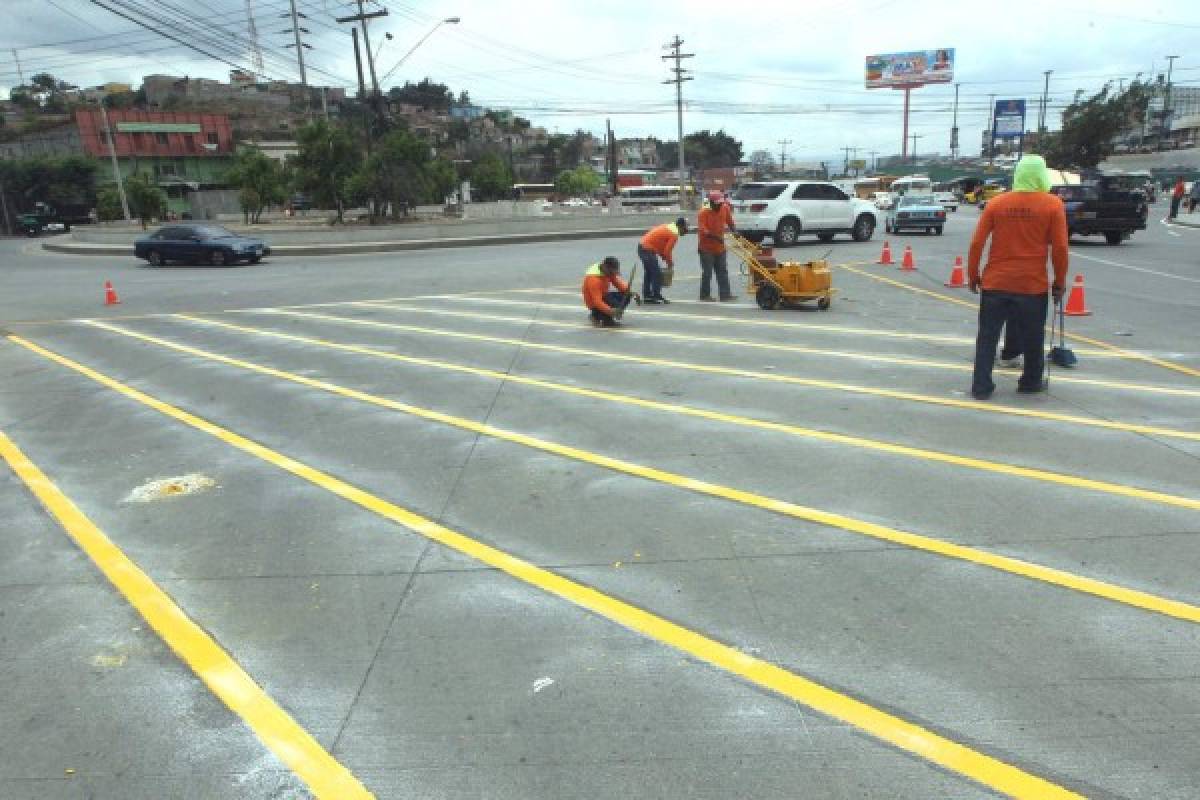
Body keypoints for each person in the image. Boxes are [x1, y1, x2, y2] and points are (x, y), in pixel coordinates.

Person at [967, 154, 1068, 400]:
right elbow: (1060, 248)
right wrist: (1059, 282)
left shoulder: (997, 203)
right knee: (1033, 336)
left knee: (987, 338)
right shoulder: (1053, 205)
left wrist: (973, 274)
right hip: (1031, 285)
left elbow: (977, 242)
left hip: (995, 282)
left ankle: (981, 386)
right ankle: (1030, 382)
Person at [697, 192, 737, 302]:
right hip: (706, 248)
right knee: (707, 272)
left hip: (720, 247)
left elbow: (730, 222)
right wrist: (715, 237)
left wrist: (735, 231)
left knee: (722, 271)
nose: (719, 206)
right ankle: (704, 295)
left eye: (720, 204)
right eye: (717, 204)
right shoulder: (703, 212)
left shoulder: (725, 208)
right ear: (710, 203)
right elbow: (703, 229)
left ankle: (725, 294)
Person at [637, 217, 687, 304]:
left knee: (649, 273)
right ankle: (655, 295)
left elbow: (660, 246)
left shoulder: (668, 226)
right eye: (685, 228)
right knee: (657, 273)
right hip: (647, 249)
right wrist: (670, 263)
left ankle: (648, 296)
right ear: (681, 226)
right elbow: (667, 251)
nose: (686, 231)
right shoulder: (673, 234)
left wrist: (664, 257)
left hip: (642, 246)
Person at [581, 256, 634, 327]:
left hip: (604, 297)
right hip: (594, 304)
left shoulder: (607, 272)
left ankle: (605, 315)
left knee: (626, 295)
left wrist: (631, 292)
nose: (612, 274)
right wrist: (610, 311)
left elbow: (617, 283)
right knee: (613, 302)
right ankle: (599, 316)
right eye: (611, 272)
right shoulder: (594, 280)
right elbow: (597, 302)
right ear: (605, 267)